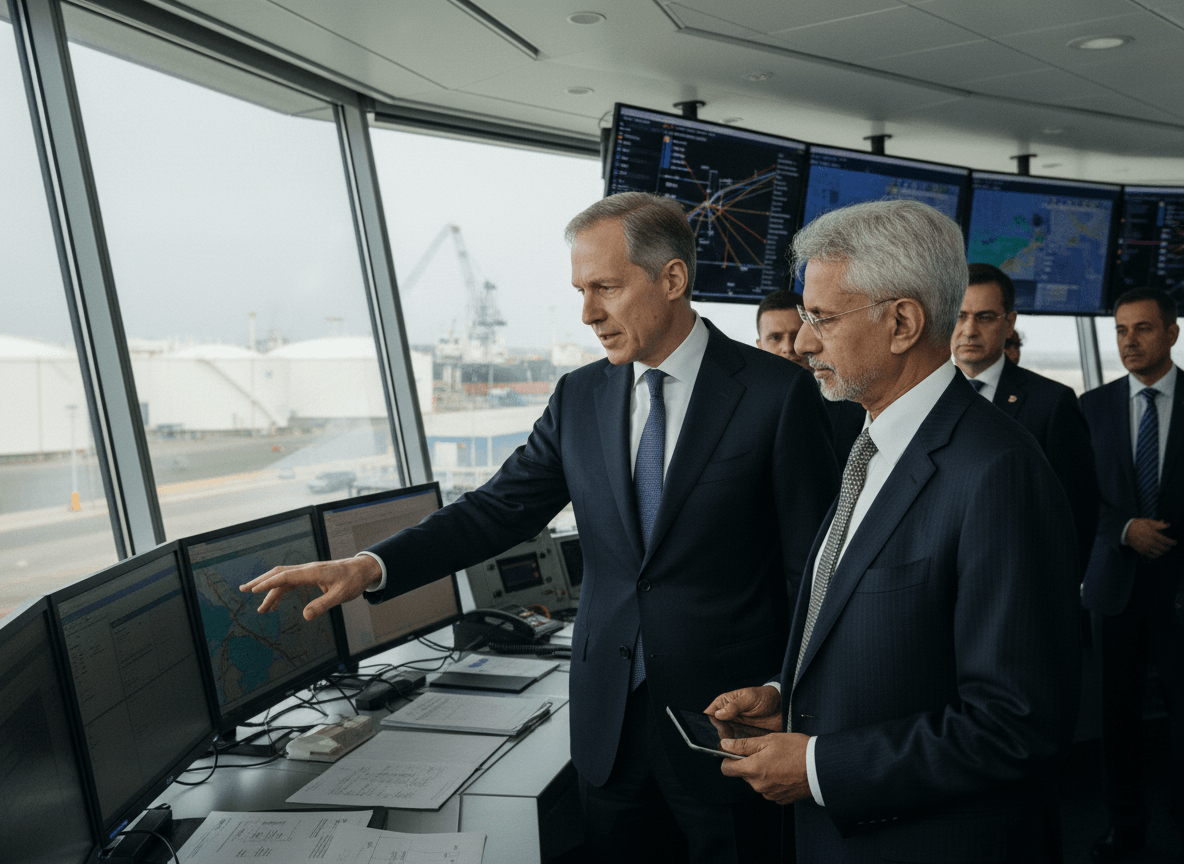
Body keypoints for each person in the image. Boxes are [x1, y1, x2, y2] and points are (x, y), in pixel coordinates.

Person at [242, 192, 840, 863]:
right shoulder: (578, 397)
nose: (588, 313)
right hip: (606, 728)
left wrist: (791, 697)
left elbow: (815, 572)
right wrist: (370, 567)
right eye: (581, 291)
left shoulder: (776, 394)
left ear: (671, 280)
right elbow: (497, 509)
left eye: (606, 288)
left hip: (731, 726)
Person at [706, 199, 1081, 862]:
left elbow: (1014, 722)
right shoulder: (871, 445)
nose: (802, 342)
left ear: (903, 321)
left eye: (821, 318)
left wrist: (821, 767)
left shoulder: (997, 471)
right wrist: (787, 704)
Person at [1080, 287, 1183, 863]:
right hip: (1113, 585)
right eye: (1121, 330)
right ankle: (1125, 823)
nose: (1128, 341)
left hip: (1179, 589)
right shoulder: (1090, 408)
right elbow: (1078, 496)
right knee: (1115, 718)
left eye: (1142, 329)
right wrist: (1123, 530)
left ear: (1171, 333)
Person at [952, 262, 1099, 576]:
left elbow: (1077, 513)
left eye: (985, 317)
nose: (969, 330)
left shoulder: (1052, 403)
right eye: (959, 316)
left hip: (1018, 581)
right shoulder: (923, 398)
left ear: (1009, 324)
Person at [757, 288, 863, 464]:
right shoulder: (743, 407)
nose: (789, 347)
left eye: (796, 334)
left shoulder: (856, 404)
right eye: (775, 337)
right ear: (759, 346)